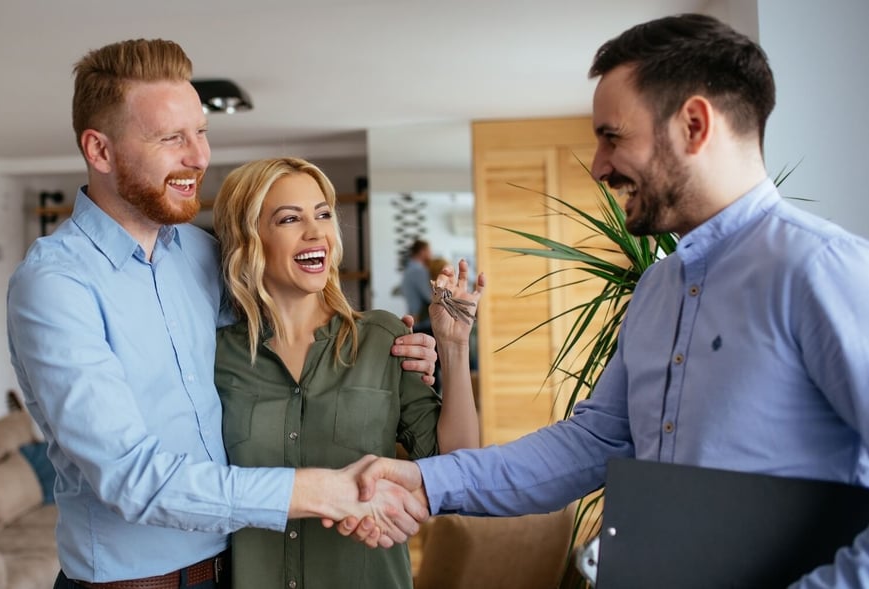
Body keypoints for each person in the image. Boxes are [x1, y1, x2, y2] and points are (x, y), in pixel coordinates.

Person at [347, 13, 869, 587]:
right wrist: (425, 482)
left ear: (694, 124)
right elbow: (592, 443)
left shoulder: (820, 270)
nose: (598, 165)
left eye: (612, 136)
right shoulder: (658, 289)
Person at [5, 39, 436, 589]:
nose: (199, 157)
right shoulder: (55, 284)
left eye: (201, 133)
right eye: (171, 138)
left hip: (236, 571)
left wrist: (394, 348)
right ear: (101, 151)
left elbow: (295, 320)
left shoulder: (204, 254)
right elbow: (133, 480)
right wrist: (322, 490)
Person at [212, 157, 485, 588]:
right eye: (289, 218)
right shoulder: (217, 356)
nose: (316, 231)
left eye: (323, 214)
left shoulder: (383, 339)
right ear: (250, 238)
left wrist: (452, 346)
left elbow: (457, 466)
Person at [401, 239, 433, 333]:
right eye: (429, 251)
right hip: (424, 324)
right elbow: (430, 297)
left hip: (415, 321)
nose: (431, 254)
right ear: (422, 252)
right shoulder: (419, 271)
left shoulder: (408, 270)